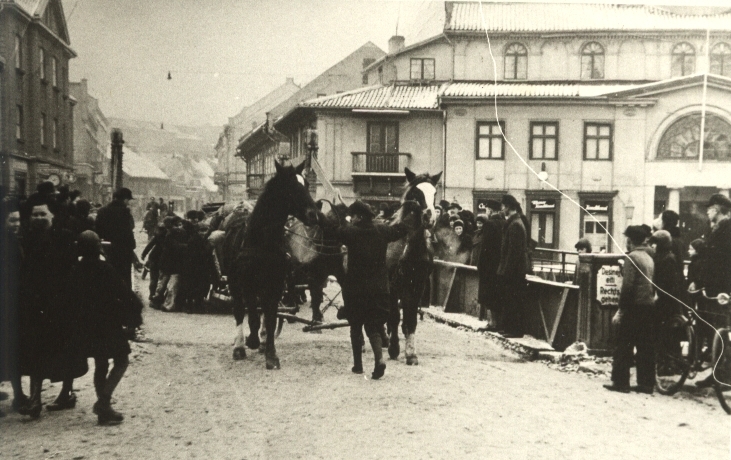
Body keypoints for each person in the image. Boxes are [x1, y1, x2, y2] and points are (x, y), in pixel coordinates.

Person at [18, 193, 88, 418]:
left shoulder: (64, 237)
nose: (38, 218)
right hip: (34, 304)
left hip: (61, 304)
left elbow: (72, 271)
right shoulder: (25, 239)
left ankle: (66, 393)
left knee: (66, 350)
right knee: (35, 351)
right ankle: (35, 399)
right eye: (35, 214)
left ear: (53, 216)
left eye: (43, 214)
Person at [71, 231, 142, 424]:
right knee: (122, 360)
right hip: (108, 323)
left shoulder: (76, 269)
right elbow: (124, 293)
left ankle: (104, 410)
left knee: (100, 364)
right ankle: (103, 402)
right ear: (98, 247)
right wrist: (135, 312)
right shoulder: (104, 268)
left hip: (87, 324)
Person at [335, 201, 408, 379]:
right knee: (374, 327)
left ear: (359, 217)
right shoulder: (382, 230)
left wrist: (337, 213)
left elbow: (333, 230)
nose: (351, 219)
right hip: (379, 289)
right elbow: (400, 230)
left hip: (356, 290)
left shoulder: (351, 232)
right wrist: (410, 214)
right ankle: (379, 360)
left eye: (353, 216)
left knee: (355, 327)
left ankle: (358, 366)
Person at [604, 225, 656, 394]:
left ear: (630, 240)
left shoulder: (632, 257)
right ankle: (646, 384)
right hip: (648, 306)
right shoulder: (648, 257)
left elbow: (628, 287)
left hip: (634, 307)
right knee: (645, 347)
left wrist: (621, 311)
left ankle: (621, 382)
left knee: (623, 345)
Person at [693, 194, 731, 388]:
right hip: (718, 288)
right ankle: (718, 373)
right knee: (717, 331)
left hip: (720, 290)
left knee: (719, 331)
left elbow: (716, 261)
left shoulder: (725, 230)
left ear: (716, 209)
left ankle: (722, 375)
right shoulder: (719, 229)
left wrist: (701, 281)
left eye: (709, 209)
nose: (707, 212)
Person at [1, 196, 26, 415]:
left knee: (13, 351)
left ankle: (19, 395)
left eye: (18, 220)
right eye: (12, 220)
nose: (17, 224)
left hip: (12, 304)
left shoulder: (14, 240)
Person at [497, 194, 529, 338]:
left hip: (514, 271)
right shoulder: (515, 222)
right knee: (511, 299)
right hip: (514, 270)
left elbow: (513, 253)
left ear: (509, 207)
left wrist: (506, 271)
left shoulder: (515, 224)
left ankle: (515, 330)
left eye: (503, 206)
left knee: (514, 300)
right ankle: (509, 328)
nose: (502, 209)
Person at [95, 188, 140, 288]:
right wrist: (132, 246)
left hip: (107, 248)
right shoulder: (125, 212)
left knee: (109, 276)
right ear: (125, 199)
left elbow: (98, 230)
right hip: (123, 250)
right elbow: (128, 231)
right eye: (128, 200)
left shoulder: (102, 211)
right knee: (124, 278)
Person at [477, 200, 506, 329]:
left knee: (490, 294)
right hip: (501, 265)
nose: (486, 212)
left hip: (489, 265)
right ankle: (499, 323)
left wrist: (480, 265)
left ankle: (493, 322)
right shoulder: (504, 222)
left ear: (490, 210)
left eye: (486, 209)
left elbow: (485, 247)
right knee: (499, 294)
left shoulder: (489, 224)